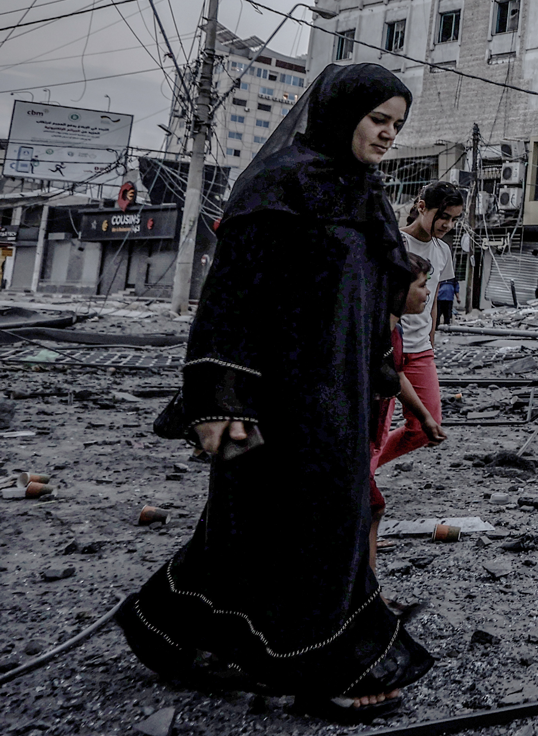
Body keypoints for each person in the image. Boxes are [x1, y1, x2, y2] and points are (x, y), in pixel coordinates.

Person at [118, 64, 432, 722]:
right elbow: (231, 299)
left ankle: (165, 626)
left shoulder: (367, 194)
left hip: (341, 400)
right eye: (378, 120)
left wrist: (394, 382)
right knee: (294, 528)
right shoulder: (277, 183)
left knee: (262, 534)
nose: (387, 135)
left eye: (397, 125)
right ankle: (322, 668)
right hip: (275, 401)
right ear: (341, 115)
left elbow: (369, 305)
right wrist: (217, 398)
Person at [375, 181, 464, 468]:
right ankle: (364, 480)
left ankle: (366, 473)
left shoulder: (443, 251)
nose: (448, 225)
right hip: (387, 349)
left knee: (426, 427)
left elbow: (433, 299)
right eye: (444, 216)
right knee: (374, 429)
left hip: (420, 350)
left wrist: (431, 341)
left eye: (454, 219)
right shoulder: (394, 243)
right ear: (422, 207)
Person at [369, 254, 447, 574]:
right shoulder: (369, 335)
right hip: (356, 432)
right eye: (422, 285)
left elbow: (397, 376)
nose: (428, 293)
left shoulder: (394, 333)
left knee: (371, 508)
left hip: (372, 431)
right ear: (399, 289)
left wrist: (426, 418)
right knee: (369, 507)